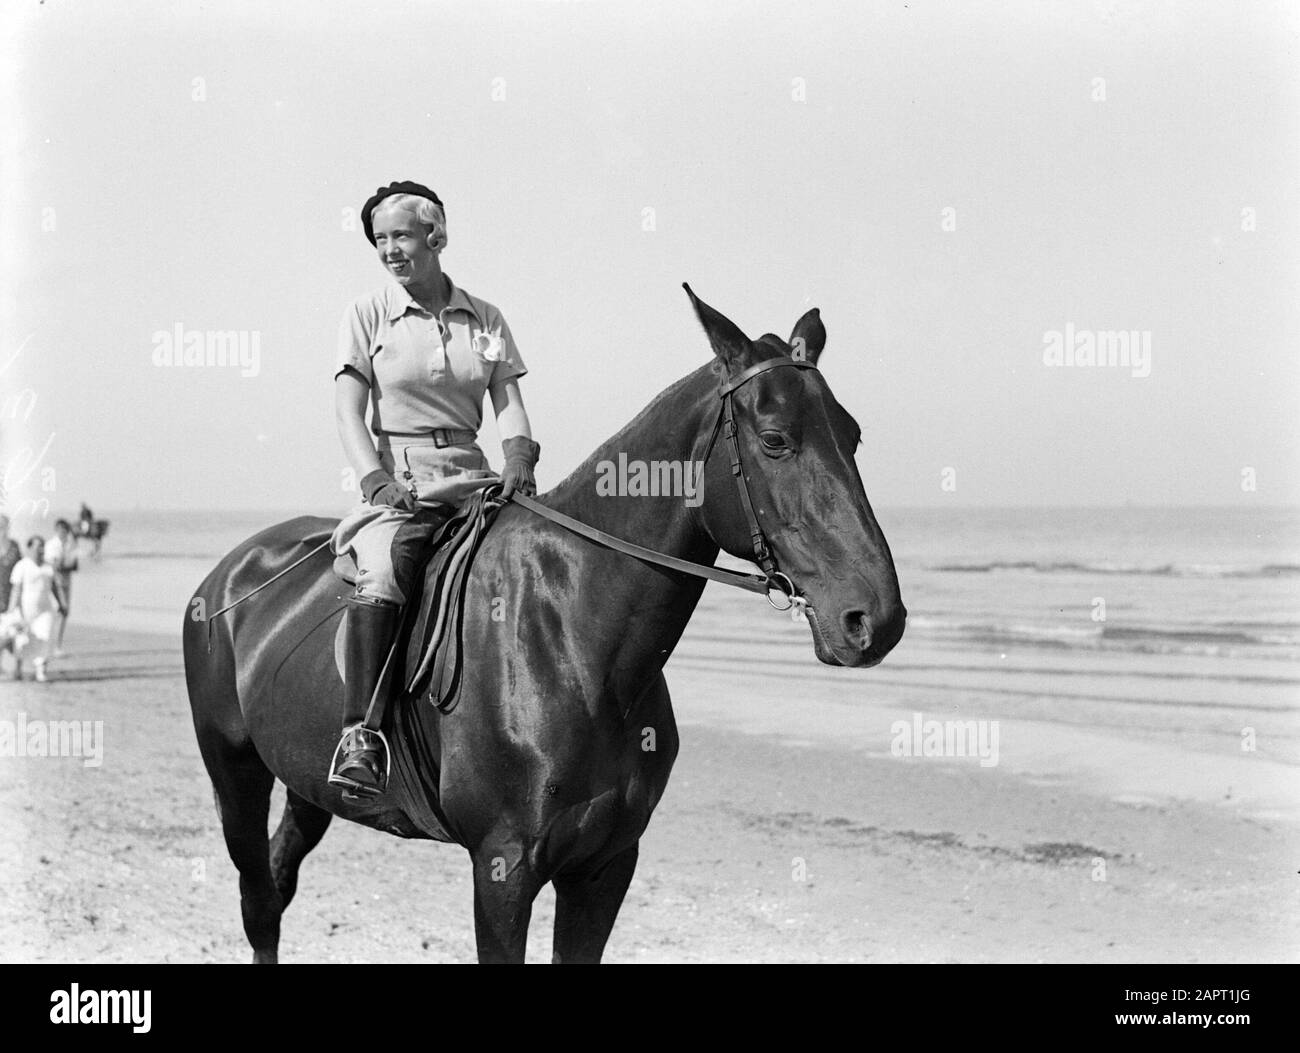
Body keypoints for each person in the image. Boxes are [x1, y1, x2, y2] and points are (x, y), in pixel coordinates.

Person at [327, 180, 541, 799]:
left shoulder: (487, 318)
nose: (390, 250)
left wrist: (519, 457)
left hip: (476, 475)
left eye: (400, 235)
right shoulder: (367, 313)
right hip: (402, 479)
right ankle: (360, 734)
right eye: (380, 240)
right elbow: (348, 411)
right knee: (387, 573)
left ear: (435, 235)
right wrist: (374, 479)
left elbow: (508, 399)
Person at [7, 535, 66, 682]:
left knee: (45, 638)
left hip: (45, 610)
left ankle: (41, 671)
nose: (40, 550)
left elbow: (56, 587)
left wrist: (62, 604)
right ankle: (18, 669)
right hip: (25, 610)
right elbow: (16, 590)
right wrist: (12, 609)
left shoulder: (48, 567)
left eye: (42, 546)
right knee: (22, 641)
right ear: (29, 548)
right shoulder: (22, 565)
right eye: (37, 546)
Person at [45, 519, 79, 653]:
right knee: (58, 611)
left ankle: (57, 645)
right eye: (61, 530)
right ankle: (53, 646)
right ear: (57, 530)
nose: (64, 533)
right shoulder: (52, 544)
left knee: (64, 613)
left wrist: (67, 564)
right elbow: (54, 566)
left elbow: (74, 565)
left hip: (66, 581)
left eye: (66, 531)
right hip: (54, 582)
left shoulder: (70, 544)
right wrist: (64, 563)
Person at [0, 516, 21, 674]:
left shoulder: (14, 546)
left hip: (10, 592)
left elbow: (20, 568)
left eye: (4, 525)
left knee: (8, 629)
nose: (2, 528)